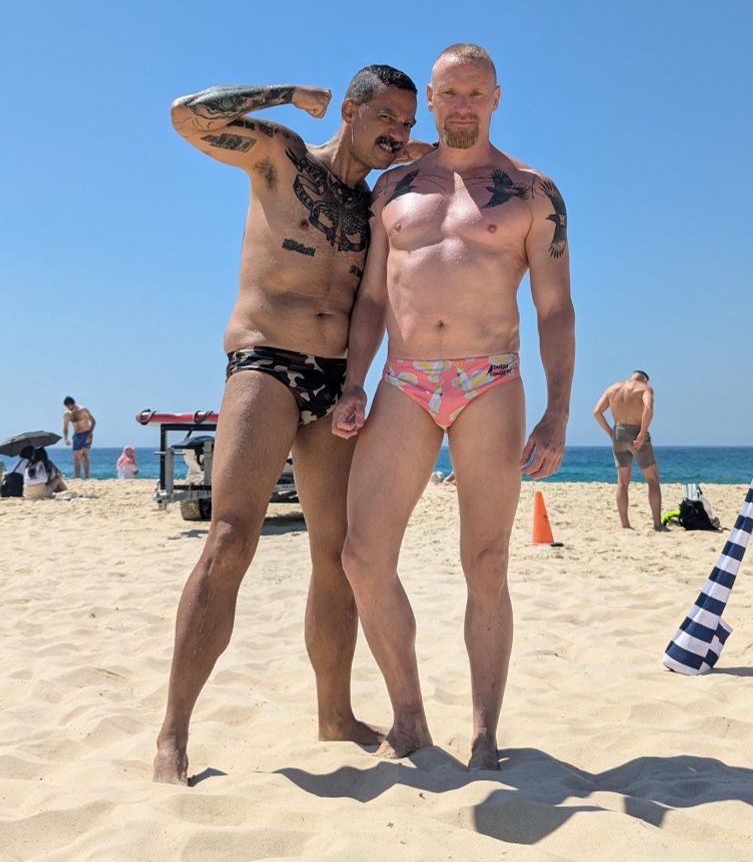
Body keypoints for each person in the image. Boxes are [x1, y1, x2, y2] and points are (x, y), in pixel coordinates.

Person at [154, 65, 427, 784]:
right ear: (350, 107)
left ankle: (333, 715)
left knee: (335, 555)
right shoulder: (280, 156)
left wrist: (422, 153)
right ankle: (172, 735)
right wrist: (284, 95)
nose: (398, 132)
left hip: (336, 381)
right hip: (265, 361)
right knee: (230, 536)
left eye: (407, 122)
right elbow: (188, 115)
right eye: (388, 117)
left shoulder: (379, 203)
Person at [331, 43, 575, 771]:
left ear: (496, 97)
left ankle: (483, 730)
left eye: (475, 93)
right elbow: (373, 296)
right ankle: (408, 718)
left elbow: (554, 308)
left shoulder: (533, 191)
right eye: (449, 94)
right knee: (361, 555)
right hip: (403, 379)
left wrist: (557, 411)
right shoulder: (394, 186)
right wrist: (353, 380)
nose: (462, 105)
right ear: (430, 102)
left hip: (489, 381)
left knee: (486, 561)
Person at [592, 370, 661, 530]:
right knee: (652, 480)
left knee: (622, 482)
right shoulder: (644, 389)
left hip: (618, 432)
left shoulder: (613, 388)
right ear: (644, 379)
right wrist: (643, 433)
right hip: (636, 432)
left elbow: (596, 412)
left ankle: (625, 524)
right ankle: (657, 525)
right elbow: (648, 408)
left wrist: (611, 432)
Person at [63, 396, 96, 478]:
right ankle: (77, 477)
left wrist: (90, 433)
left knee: (84, 456)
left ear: (73, 404)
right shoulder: (67, 414)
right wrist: (66, 438)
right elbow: (65, 426)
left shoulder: (83, 410)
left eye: (71, 406)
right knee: (76, 458)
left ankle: (86, 476)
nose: (70, 408)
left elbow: (93, 421)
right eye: (67, 406)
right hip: (77, 435)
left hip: (86, 433)